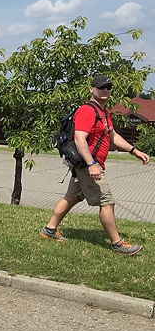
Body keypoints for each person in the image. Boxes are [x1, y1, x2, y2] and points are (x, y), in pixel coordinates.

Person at [40, 75, 148, 256]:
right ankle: (117, 244)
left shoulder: (104, 112)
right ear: (92, 89)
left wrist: (134, 150)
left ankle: (49, 230)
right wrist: (91, 164)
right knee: (107, 202)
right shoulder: (87, 111)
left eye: (108, 87)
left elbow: (112, 136)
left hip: (88, 165)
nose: (105, 89)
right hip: (88, 165)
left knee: (72, 197)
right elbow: (79, 138)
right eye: (101, 87)